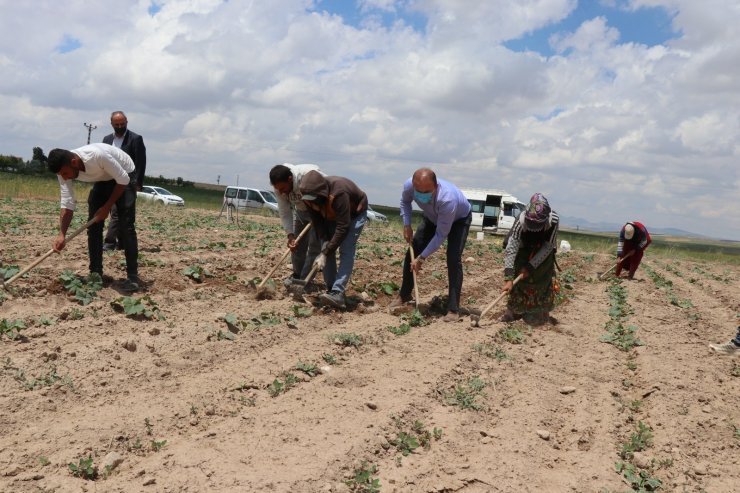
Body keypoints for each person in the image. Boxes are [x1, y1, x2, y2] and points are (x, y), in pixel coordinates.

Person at [48, 143, 140, 291]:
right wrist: (62, 234)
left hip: (125, 172)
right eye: (61, 175)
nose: (64, 178)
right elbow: (68, 202)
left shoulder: (98, 156)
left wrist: (107, 207)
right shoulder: (63, 171)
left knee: (126, 226)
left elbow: (123, 180)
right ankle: (96, 274)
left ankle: (132, 277)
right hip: (104, 177)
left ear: (74, 162)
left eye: (65, 174)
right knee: (93, 226)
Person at [391, 168, 472, 322]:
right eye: (418, 191)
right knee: (412, 250)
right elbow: (405, 202)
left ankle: (453, 309)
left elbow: (441, 234)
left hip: (458, 220)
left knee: (453, 259)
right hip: (431, 217)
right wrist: (406, 224)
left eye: (426, 191)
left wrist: (421, 259)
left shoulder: (447, 199)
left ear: (436, 186)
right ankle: (404, 294)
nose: (421, 194)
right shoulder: (410, 185)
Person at [299, 170, 368, 310]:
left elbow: (343, 227)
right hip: (330, 216)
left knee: (346, 250)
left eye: (314, 199)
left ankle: (338, 292)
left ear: (321, 193)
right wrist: (325, 245)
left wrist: (325, 252)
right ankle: (331, 289)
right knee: (325, 246)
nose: (312, 202)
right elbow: (318, 222)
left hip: (354, 215)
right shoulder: (307, 197)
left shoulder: (338, 193)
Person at [500, 193, 559, 326]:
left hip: (543, 248)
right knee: (518, 277)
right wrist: (508, 278)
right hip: (523, 246)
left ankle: (541, 313)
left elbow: (548, 247)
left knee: (542, 277)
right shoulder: (520, 221)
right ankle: (514, 312)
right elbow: (511, 249)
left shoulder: (553, 220)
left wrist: (530, 267)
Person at [269, 163, 323, 283]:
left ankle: (305, 281)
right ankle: (297, 275)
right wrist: (290, 235)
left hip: (318, 212)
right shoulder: (279, 188)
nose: (281, 192)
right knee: (296, 245)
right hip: (301, 211)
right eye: (278, 189)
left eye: (283, 189)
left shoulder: (308, 175)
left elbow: (328, 189)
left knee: (314, 247)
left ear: (290, 179)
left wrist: (319, 215)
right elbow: (284, 211)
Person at [102, 111, 146, 251]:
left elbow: (140, 161)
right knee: (114, 212)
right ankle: (122, 243)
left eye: (122, 124)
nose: (120, 126)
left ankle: (109, 242)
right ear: (112, 124)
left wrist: (138, 182)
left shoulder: (135, 139)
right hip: (110, 180)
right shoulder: (107, 139)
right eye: (117, 124)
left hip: (128, 181)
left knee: (122, 213)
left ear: (127, 122)